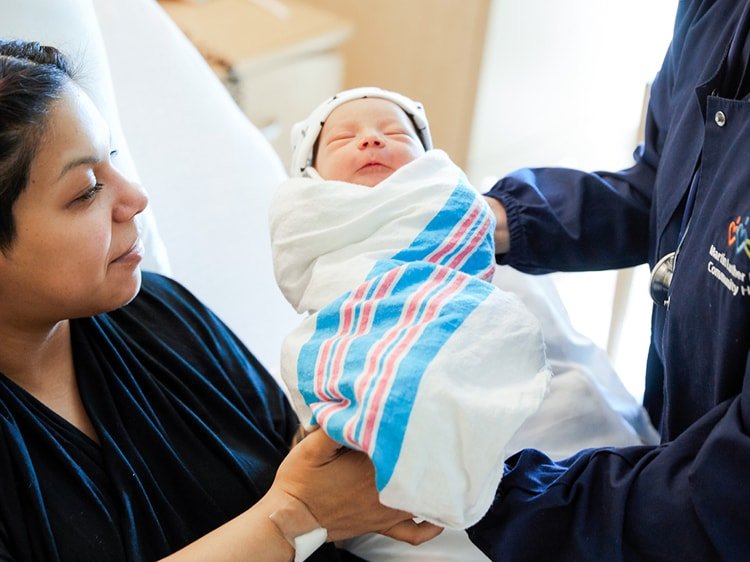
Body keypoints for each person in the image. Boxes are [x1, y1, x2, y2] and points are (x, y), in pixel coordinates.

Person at [0, 40, 444, 561]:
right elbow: (298, 506)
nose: (136, 198)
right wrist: (292, 518)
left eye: (113, 159)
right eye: (87, 189)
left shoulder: (159, 313)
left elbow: (296, 464)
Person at [465, 0, 750, 559]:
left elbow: (728, 492)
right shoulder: (717, 11)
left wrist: (476, 495)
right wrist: (493, 221)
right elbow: (661, 187)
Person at [270, 86, 552, 531]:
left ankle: (411, 434)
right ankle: (360, 429)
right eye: (344, 139)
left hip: (443, 306)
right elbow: (305, 267)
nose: (370, 140)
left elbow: (470, 244)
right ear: (311, 175)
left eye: (394, 133)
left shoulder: (445, 198)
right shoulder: (312, 211)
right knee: (312, 356)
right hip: (355, 319)